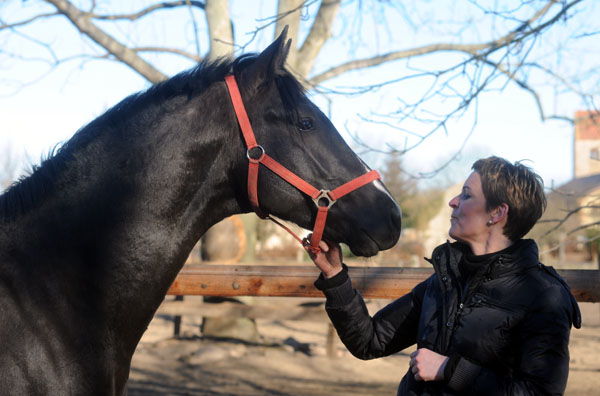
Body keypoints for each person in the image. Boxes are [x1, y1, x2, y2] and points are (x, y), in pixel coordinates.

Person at [304, 156, 581, 396]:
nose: (453, 201)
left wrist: (450, 370)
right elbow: (370, 341)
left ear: (497, 213)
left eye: (467, 195)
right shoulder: (444, 280)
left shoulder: (544, 296)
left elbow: (538, 392)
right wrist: (334, 274)